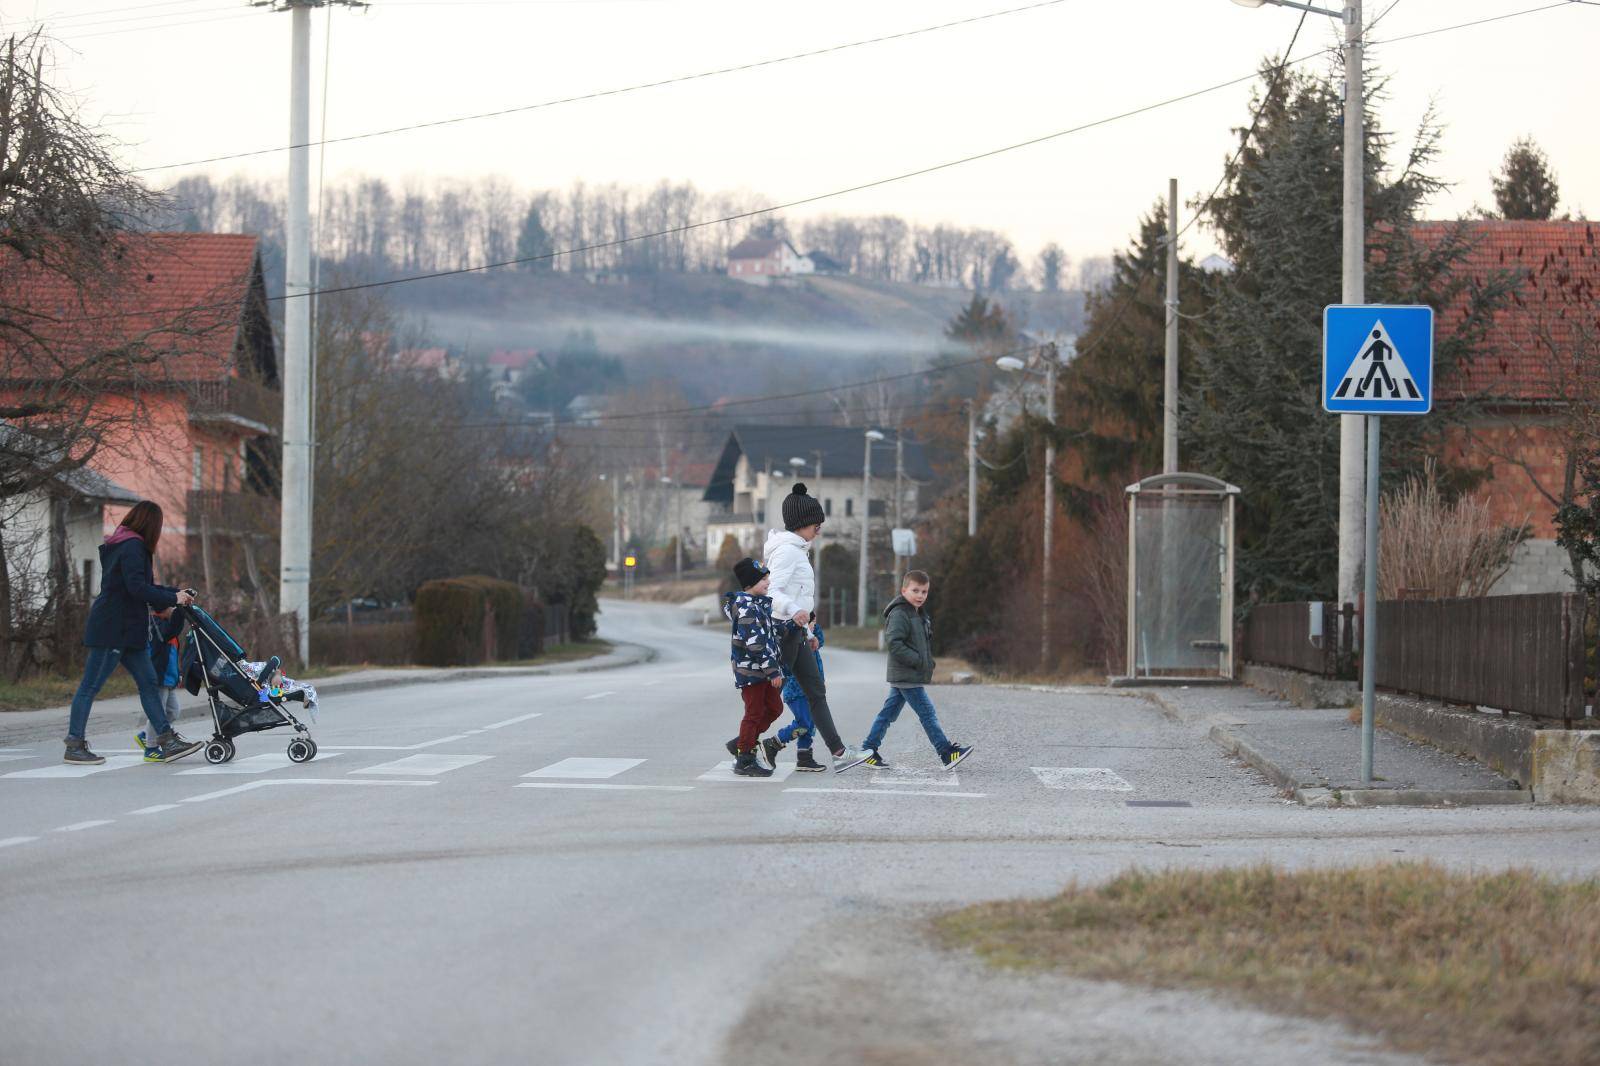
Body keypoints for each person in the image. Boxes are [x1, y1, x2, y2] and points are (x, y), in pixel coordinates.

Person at [63, 501, 204, 764]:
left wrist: (175, 594)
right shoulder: (133, 547)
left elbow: (145, 586)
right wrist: (173, 597)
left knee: (149, 683)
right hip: (112, 628)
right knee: (90, 686)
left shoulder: (127, 545)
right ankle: (74, 744)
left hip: (129, 630)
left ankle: (166, 739)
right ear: (151, 525)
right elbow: (137, 588)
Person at [764, 484, 872, 773]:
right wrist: (794, 612)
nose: (819, 530)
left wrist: (809, 633)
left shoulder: (799, 550)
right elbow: (772, 592)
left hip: (797, 634)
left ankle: (838, 753)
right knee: (765, 698)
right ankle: (743, 746)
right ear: (801, 524)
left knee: (816, 693)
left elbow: (798, 597)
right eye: (816, 525)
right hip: (783, 633)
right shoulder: (787, 552)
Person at [859, 570, 972, 771]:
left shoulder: (917, 613)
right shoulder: (900, 613)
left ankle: (868, 750)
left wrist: (929, 662)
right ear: (904, 590)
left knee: (887, 714)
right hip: (906, 673)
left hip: (907, 673)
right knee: (927, 712)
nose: (920, 595)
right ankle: (946, 753)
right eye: (915, 591)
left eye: (924, 591)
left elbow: (920, 643)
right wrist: (919, 661)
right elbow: (894, 643)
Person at [722, 557, 787, 778]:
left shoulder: (758, 604)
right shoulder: (746, 608)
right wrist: (773, 671)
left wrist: (784, 628)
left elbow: (767, 634)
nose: (768, 582)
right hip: (752, 672)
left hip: (762, 670)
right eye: (764, 579)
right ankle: (745, 759)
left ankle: (743, 742)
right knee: (754, 712)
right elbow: (756, 644)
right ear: (750, 584)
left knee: (775, 708)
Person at [134, 605, 187, 761]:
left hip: (168, 677)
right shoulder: (157, 625)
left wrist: (178, 674)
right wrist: (180, 610)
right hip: (159, 678)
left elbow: (171, 653)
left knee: (173, 711)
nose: (173, 609)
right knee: (158, 712)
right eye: (171, 606)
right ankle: (151, 748)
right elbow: (172, 629)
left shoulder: (164, 624)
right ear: (161, 609)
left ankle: (145, 735)